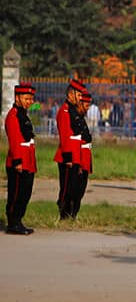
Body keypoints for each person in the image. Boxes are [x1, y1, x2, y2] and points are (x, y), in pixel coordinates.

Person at [5, 83, 37, 235]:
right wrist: (18, 161)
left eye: (31, 99)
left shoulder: (23, 115)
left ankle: (18, 220)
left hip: (27, 159)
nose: (29, 101)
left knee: (25, 192)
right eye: (27, 98)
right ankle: (12, 222)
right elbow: (14, 140)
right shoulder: (13, 116)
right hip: (19, 161)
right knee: (16, 193)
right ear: (17, 98)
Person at [54, 79, 87, 220]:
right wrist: (68, 158)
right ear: (71, 93)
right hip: (68, 156)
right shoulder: (65, 111)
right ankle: (64, 214)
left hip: (76, 155)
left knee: (75, 188)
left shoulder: (74, 111)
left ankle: (71, 214)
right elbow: (65, 135)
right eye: (79, 95)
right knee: (67, 187)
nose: (80, 99)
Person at [61, 91, 94, 219]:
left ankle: (73, 214)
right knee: (70, 189)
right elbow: (70, 139)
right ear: (79, 104)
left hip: (84, 157)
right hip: (77, 157)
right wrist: (77, 161)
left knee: (80, 189)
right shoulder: (69, 115)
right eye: (86, 105)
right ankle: (65, 214)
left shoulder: (80, 118)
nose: (87, 108)